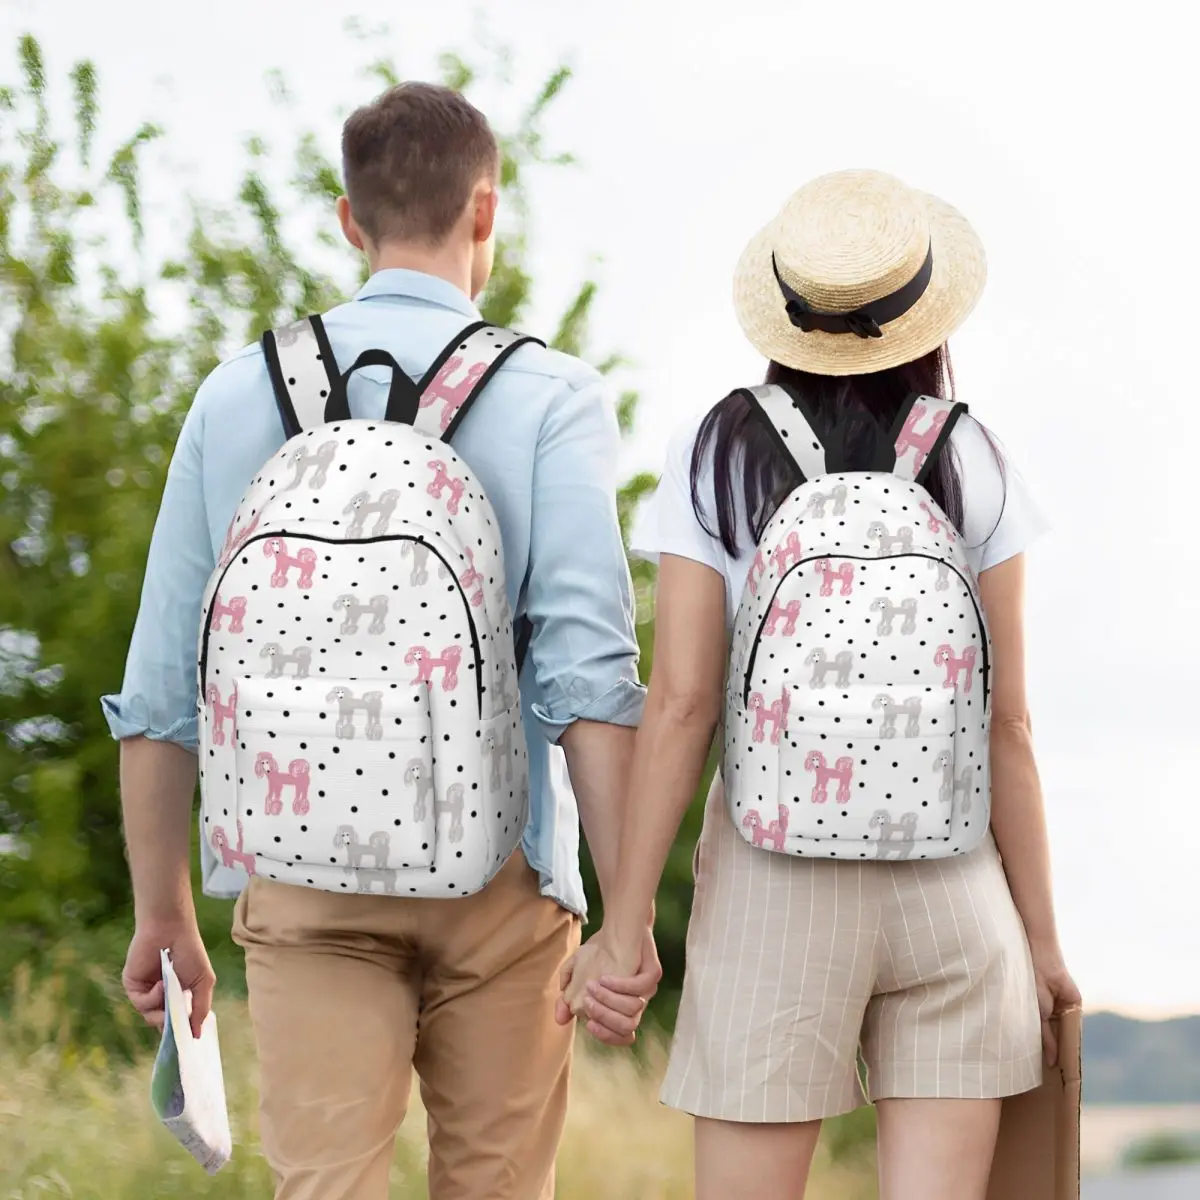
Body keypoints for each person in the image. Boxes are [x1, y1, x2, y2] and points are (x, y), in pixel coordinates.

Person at [105, 81, 659, 1200]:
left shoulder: (235, 394)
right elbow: (589, 679)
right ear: (486, 213)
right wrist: (627, 914)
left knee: (325, 1185)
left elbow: (164, 684)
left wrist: (163, 911)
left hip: (301, 874)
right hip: (503, 876)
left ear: (349, 220)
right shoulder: (551, 396)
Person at [560, 169, 1081, 1200]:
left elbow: (682, 705)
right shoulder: (974, 454)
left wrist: (624, 927)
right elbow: (1009, 723)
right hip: (955, 886)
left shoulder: (717, 448)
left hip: (772, 882)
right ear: (924, 313)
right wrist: (1043, 943)